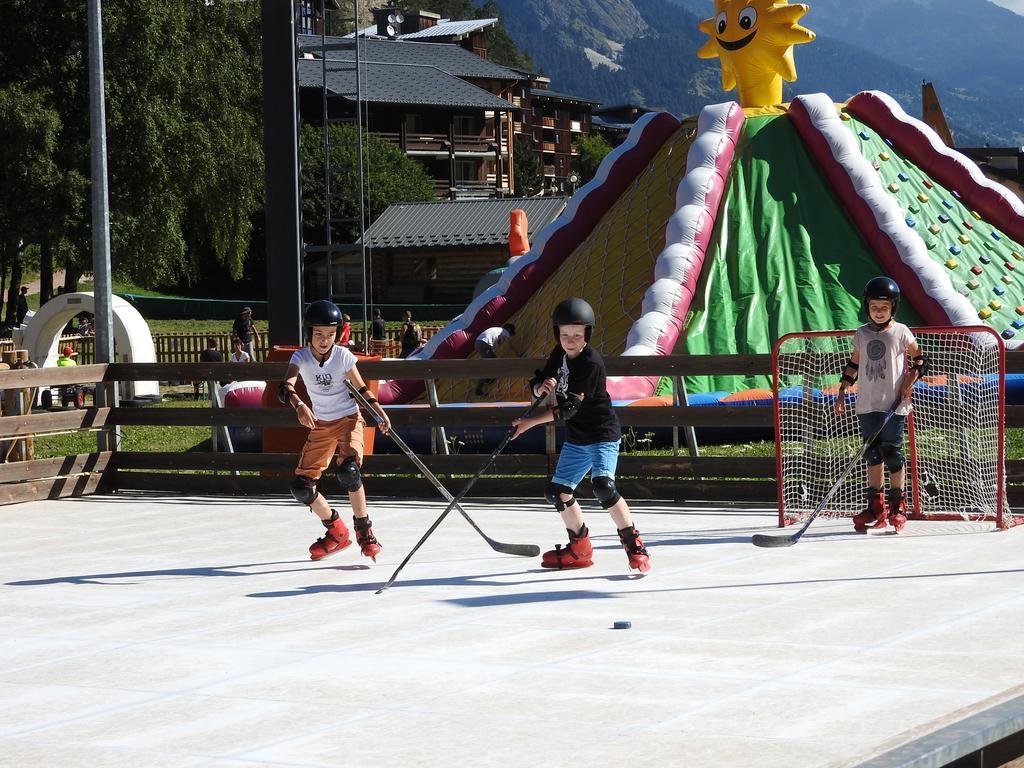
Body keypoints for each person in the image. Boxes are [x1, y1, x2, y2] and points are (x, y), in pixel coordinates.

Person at [510, 298, 651, 573]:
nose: (570, 340)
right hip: (577, 438)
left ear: (587, 333)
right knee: (557, 492)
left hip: (601, 435)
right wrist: (540, 387)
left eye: (577, 335)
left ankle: (634, 545)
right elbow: (540, 379)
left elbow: (570, 408)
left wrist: (530, 422)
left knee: (603, 487)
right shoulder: (559, 353)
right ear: (557, 334)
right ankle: (579, 549)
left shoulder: (591, 363)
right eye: (564, 334)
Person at [279, 299, 392, 562]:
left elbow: (362, 388)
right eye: (318, 334)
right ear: (309, 333)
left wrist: (379, 411)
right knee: (301, 488)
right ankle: (336, 531)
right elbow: (285, 387)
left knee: (348, 472)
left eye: (330, 335)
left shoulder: (343, 355)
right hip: (321, 424)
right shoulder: (301, 357)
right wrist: (299, 405)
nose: (324, 340)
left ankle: (365, 531)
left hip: (349, 419)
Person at [834, 276, 925, 534]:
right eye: (874, 306)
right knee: (872, 454)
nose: (879, 311)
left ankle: (898, 507)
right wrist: (843, 389)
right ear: (867, 307)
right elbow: (854, 364)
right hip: (867, 404)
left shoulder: (901, 331)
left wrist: (910, 381)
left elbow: (920, 360)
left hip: (893, 405)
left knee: (892, 453)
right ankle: (876, 508)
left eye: (884, 307)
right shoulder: (861, 334)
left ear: (893, 307)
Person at [473, 323, 516, 396]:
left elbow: (496, 342)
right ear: (509, 330)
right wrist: (518, 355)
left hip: (478, 343)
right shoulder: (504, 331)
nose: (510, 335)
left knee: (493, 361)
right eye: (511, 333)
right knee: (491, 365)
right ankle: (478, 389)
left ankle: (488, 379)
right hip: (484, 344)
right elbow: (509, 344)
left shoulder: (497, 330)